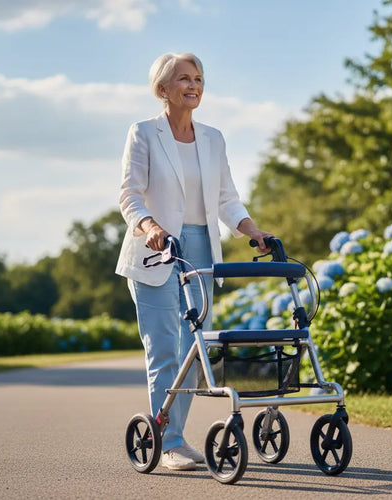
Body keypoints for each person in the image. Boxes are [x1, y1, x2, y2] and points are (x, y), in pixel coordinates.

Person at [115, 52, 273, 471]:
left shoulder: (213, 138)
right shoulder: (144, 132)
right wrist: (147, 225)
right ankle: (169, 441)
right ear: (162, 89)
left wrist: (251, 230)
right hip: (157, 248)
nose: (194, 85)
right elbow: (129, 193)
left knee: (193, 351)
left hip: (201, 246)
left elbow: (226, 198)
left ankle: (174, 435)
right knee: (164, 349)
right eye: (183, 79)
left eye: (199, 78)